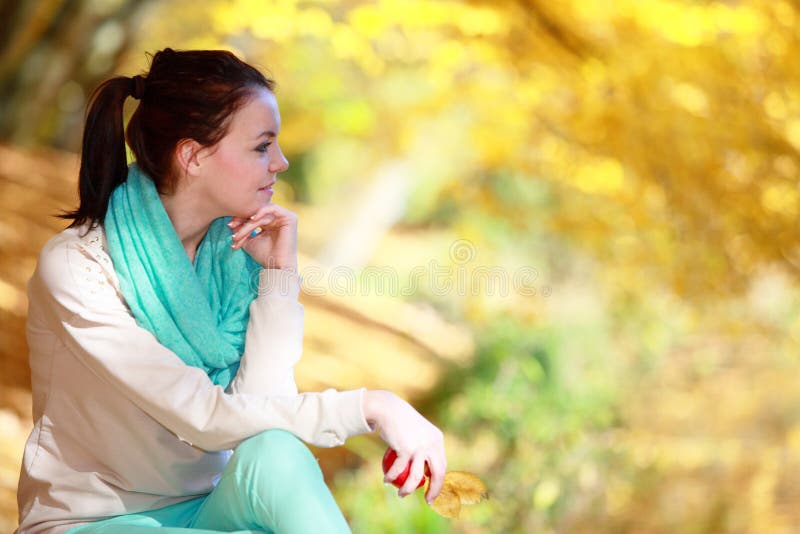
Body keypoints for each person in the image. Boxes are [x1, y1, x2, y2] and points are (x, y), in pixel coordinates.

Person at [15, 48, 446, 533]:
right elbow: (204, 416)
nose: (280, 163)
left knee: (277, 451)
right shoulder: (79, 265)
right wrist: (371, 406)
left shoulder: (234, 261)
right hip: (93, 522)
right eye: (262, 147)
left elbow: (261, 418)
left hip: (205, 509)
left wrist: (278, 278)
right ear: (193, 156)